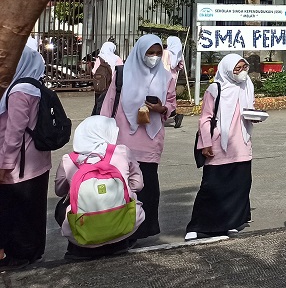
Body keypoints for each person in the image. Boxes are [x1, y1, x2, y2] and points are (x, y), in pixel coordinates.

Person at [99, 34, 173, 240]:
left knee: (148, 184)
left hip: (151, 139)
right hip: (123, 139)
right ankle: (122, 228)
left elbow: (172, 104)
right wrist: (102, 136)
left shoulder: (166, 77)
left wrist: (162, 108)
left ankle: (145, 228)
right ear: (141, 52)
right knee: (124, 184)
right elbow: (108, 105)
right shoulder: (122, 74)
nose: (155, 57)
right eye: (151, 52)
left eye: (159, 53)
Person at [54, 116, 145, 259]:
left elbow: (59, 191)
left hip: (85, 221)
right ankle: (118, 243)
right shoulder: (122, 151)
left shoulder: (69, 160)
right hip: (124, 222)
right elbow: (138, 185)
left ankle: (79, 247)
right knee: (130, 198)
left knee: (62, 206)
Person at [185, 54, 255, 240]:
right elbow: (205, 118)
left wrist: (254, 117)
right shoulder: (215, 89)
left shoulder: (247, 86)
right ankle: (198, 226)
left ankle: (230, 222)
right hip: (218, 145)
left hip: (241, 145)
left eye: (244, 68)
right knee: (212, 187)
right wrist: (205, 143)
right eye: (237, 69)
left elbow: (249, 110)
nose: (242, 72)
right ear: (227, 70)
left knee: (238, 186)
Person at [0, 46, 50, 268]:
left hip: (20, 164)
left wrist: (5, 163)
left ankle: (20, 255)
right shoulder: (35, 86)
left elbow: (14, 133)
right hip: (37, 160)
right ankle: (33, 251)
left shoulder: (20, 91)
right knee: (34, 209)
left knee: (16, 210)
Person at [91, 41, 122, 114]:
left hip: (101, 85)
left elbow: (94, 71)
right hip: (113, 84)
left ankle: (97, 117)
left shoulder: (100, 58)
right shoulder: (117, 58)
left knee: (99, 103)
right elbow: (120, 71)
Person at [163, 36, 185, 127]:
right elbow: (180, 66)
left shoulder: (165, 52)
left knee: (163, 97)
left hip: (162, 76)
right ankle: (175, 114)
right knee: (170, 96)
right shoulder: (179, 53)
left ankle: (172, 114)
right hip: (173, 77)